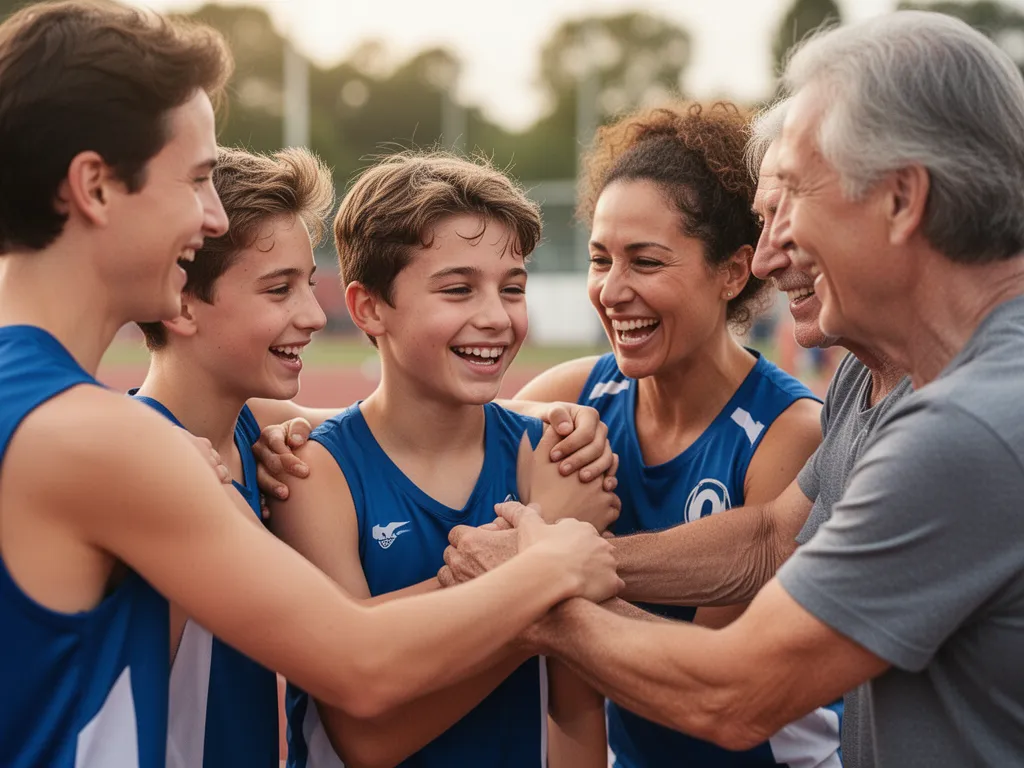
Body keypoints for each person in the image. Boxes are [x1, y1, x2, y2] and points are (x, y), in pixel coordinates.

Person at [0, 3, 621, 765]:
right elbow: (358, 665)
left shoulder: (75, 415)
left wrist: (551, 421)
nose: (211, 215)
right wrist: (552, 556)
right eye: (196, 179)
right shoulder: (98, 437)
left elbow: (381, 422)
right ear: (94, 186)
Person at [469, 11, 1024, 767]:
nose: (766, 254)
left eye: (792, 196)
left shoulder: (973, 425)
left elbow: (739, 693)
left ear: (902, 198)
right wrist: (581, 557)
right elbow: (773, 538)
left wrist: (532, 594)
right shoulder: (879, 374)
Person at [442, 97, 914, 768]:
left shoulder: (789, 432)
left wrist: (542, 573)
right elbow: (421, 437)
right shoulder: (572, 398)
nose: (612, 289)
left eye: (647, 262)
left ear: (731, 271)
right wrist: (283, 435)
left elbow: (708, 683)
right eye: (601, 259)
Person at [268, 152, 621, 768]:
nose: (495, 316)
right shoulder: (314, 474)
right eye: (458, 289)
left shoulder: (551, 454)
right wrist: (535, 573)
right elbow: (366, 738)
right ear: (368, 308)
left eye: (512, 288)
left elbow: (575, 709)